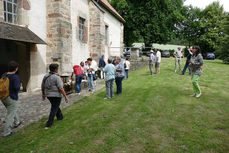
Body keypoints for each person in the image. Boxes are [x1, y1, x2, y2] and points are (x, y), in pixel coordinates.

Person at [41, 63, 69, 129]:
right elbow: (60, 88)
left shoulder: (45, 76)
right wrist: (65, 96)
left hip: (48, 95)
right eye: (57, 69)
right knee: (54, 108)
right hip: (56, 95)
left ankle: (60, 117)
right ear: (56, 69)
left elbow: (42, 86)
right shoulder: (57, 77)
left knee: (55, 106)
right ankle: (48, 124)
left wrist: (43, 94)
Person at [0, 61, 22, 137]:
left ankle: (17, 122)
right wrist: (20, 87)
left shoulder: (4, 74)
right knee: (10, 114)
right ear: (16, 68)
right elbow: (16, 88)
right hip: (11, 97)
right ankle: (7, 132)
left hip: (3, 97)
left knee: (12, 110)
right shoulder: (15, 77)